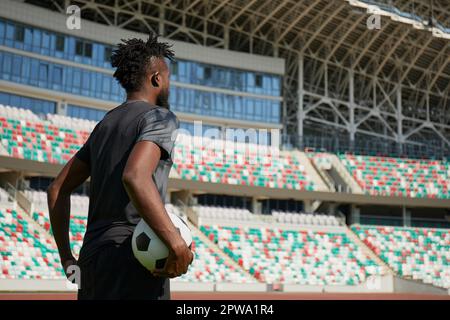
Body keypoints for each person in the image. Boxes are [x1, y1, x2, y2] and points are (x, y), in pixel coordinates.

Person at [47, 33, 193, 300]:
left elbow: (56, 189)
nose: (169, 84)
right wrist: (175, 241)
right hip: (133, 261)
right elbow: (135, 176)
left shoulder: (104, 125)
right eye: (168, 77)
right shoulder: (160, 117)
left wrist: (67, 259)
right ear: (157, 79)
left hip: (91, 260)